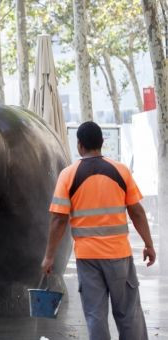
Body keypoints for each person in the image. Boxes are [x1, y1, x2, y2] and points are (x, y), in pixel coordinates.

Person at [42, 121, 155, 340]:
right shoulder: (120, 171)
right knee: (128, 315)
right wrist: (148, 244)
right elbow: (137, 212)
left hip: (88, 258)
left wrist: (49, 257)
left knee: (95, 315)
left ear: (79, 145)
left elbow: (58, 219)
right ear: (102, 143)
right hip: (119, 256)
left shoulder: (68, 175)